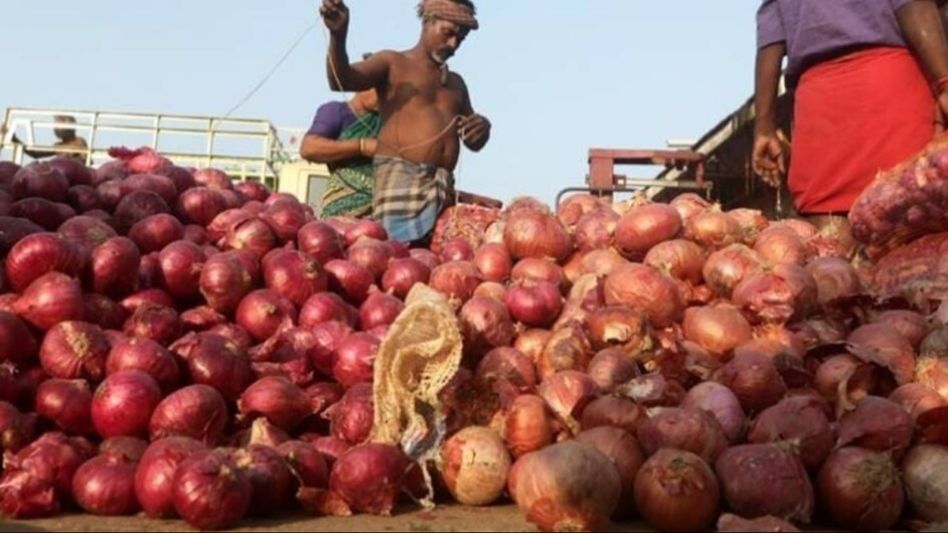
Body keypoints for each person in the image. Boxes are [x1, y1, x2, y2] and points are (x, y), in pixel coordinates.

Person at [753, 0, 948, 232]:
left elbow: (770, 37)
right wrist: (944, 82)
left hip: (819, 107)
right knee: (913, 227)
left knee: (829, 244)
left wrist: (764, 126)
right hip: (889, 91)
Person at [319, 0, 492, 244]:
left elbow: (473, 141)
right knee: (396, 260)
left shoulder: (456, 84)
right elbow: (341, 80)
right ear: (427, 22)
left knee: (432, 267)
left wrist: (482, 128)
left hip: (442, 191)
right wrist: (338, 35)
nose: (453, 44)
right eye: (448, 33)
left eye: (460, 39)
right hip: (400, 185)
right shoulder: (393, 63)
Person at [300, 88, 381, 218]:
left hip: (382, 212)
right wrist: (360, 146)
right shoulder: (335, 112)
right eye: (380, 89)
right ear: (362, 85)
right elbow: (309, 148)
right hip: (342, 210)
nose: (385, 96)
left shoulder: (391, 121)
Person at [4, 115, 88, 161]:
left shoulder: (79, 142)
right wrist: (14, 139)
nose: (56, 129)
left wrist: (69, 157)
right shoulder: (58, 146)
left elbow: (86, 161)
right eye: (56, 126)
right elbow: (35, 154)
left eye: (59, 126)